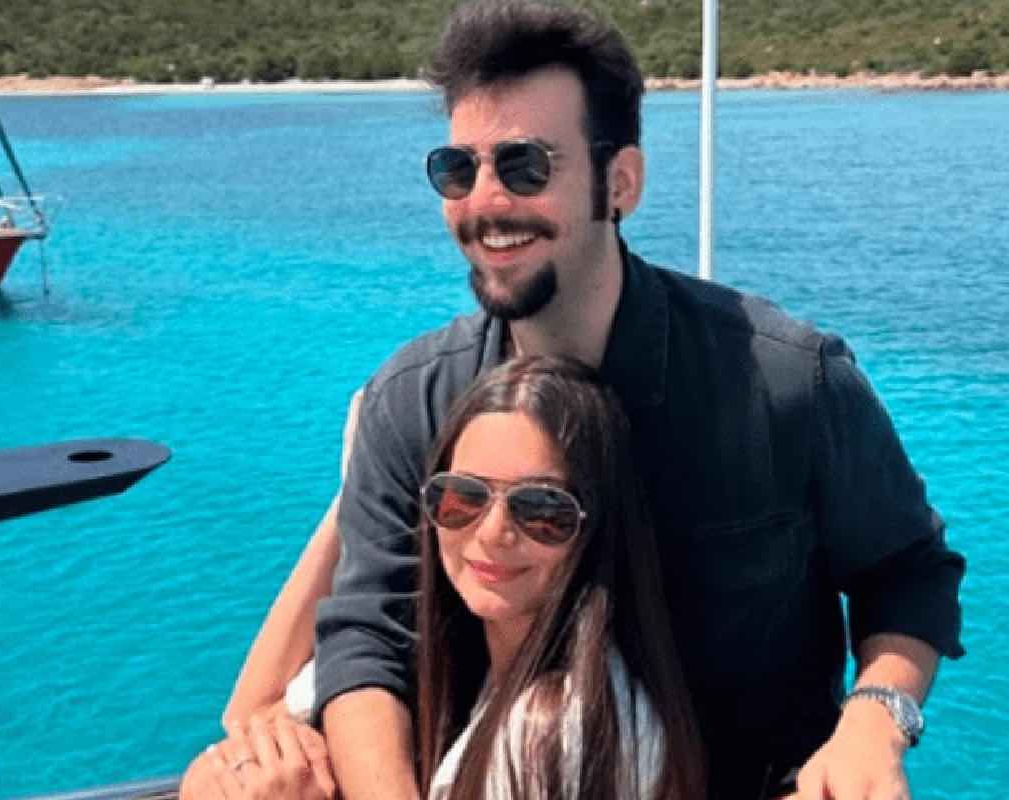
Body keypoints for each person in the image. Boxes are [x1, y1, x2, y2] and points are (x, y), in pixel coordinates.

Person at [306, 2, 965, 800]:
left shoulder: (787, 383)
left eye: (524, 167)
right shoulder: (413, 403)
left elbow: (907, 571)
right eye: (457, 169)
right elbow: (370, 635)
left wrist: (873, 724)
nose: (484, 202)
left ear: (620, 182)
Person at [413, 355, 703, 799]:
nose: (492, 532)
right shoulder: (587, 695)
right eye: (464, 497)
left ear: (597, 527)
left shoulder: (546, 735)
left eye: (542, 509)